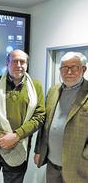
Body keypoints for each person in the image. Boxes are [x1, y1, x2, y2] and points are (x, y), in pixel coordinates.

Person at [0, 49, 45, 183]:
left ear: (26, 64)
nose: (19, 65)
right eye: (15, 61)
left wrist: (16, 136)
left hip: (19, 146)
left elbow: (39, 116)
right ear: (7, 63)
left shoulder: (35, 86)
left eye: (23, 62)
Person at [34, 52, 88, 183]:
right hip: (52, 165)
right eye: (64, 68)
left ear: (84, 69)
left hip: (79, 167)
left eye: (74, 67)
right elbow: (44, 124)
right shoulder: (53, 90)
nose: (68, 72)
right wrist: (39, 150)